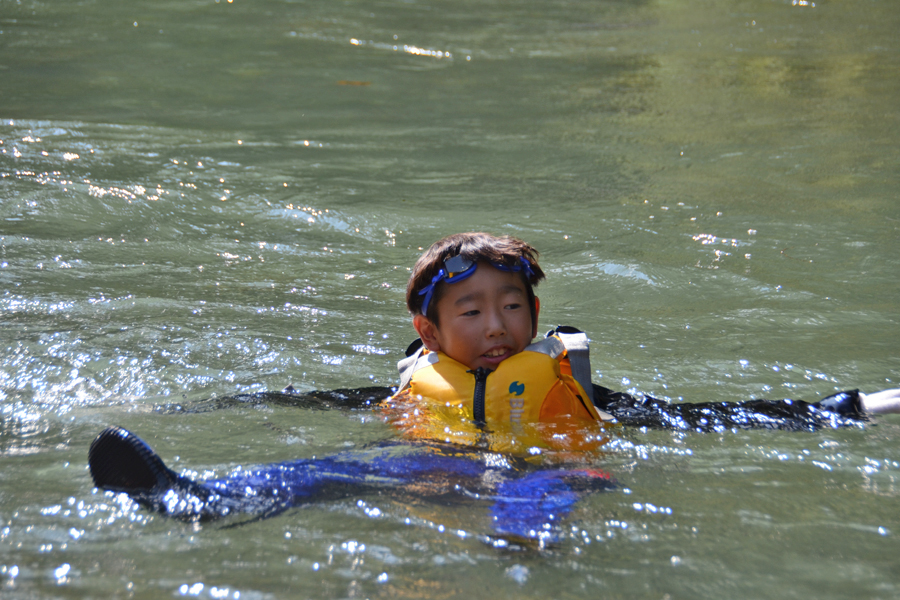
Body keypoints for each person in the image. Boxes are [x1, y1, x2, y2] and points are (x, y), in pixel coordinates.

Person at [381, 232, 900, 443]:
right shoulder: (410, 392)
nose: (497, 325)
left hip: (544, 476)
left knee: (533, 521)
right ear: (429, 332)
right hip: (443, 472)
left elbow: (698, 415)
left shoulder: (574, 393)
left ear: (535, 315)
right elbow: (326, 404)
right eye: (471, 312)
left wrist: (829, 411)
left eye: (512, 306)